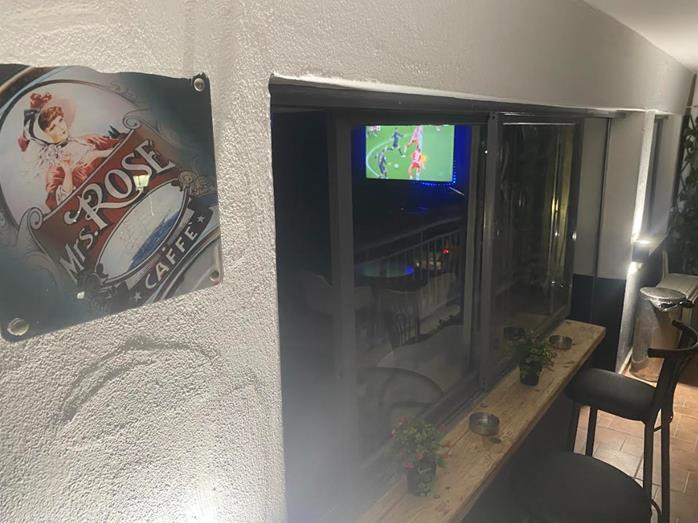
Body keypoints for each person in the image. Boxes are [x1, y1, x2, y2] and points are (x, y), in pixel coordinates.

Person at [17, 92, 123, 210]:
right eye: (52, 127)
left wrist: (97, 154)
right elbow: (61, 204)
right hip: (96, 207)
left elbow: (122, 146)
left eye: (60, 120)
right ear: (45, 135)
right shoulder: (55, 170)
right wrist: (68, 172)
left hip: (122, 185)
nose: (61, 127)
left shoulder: (88, 140)